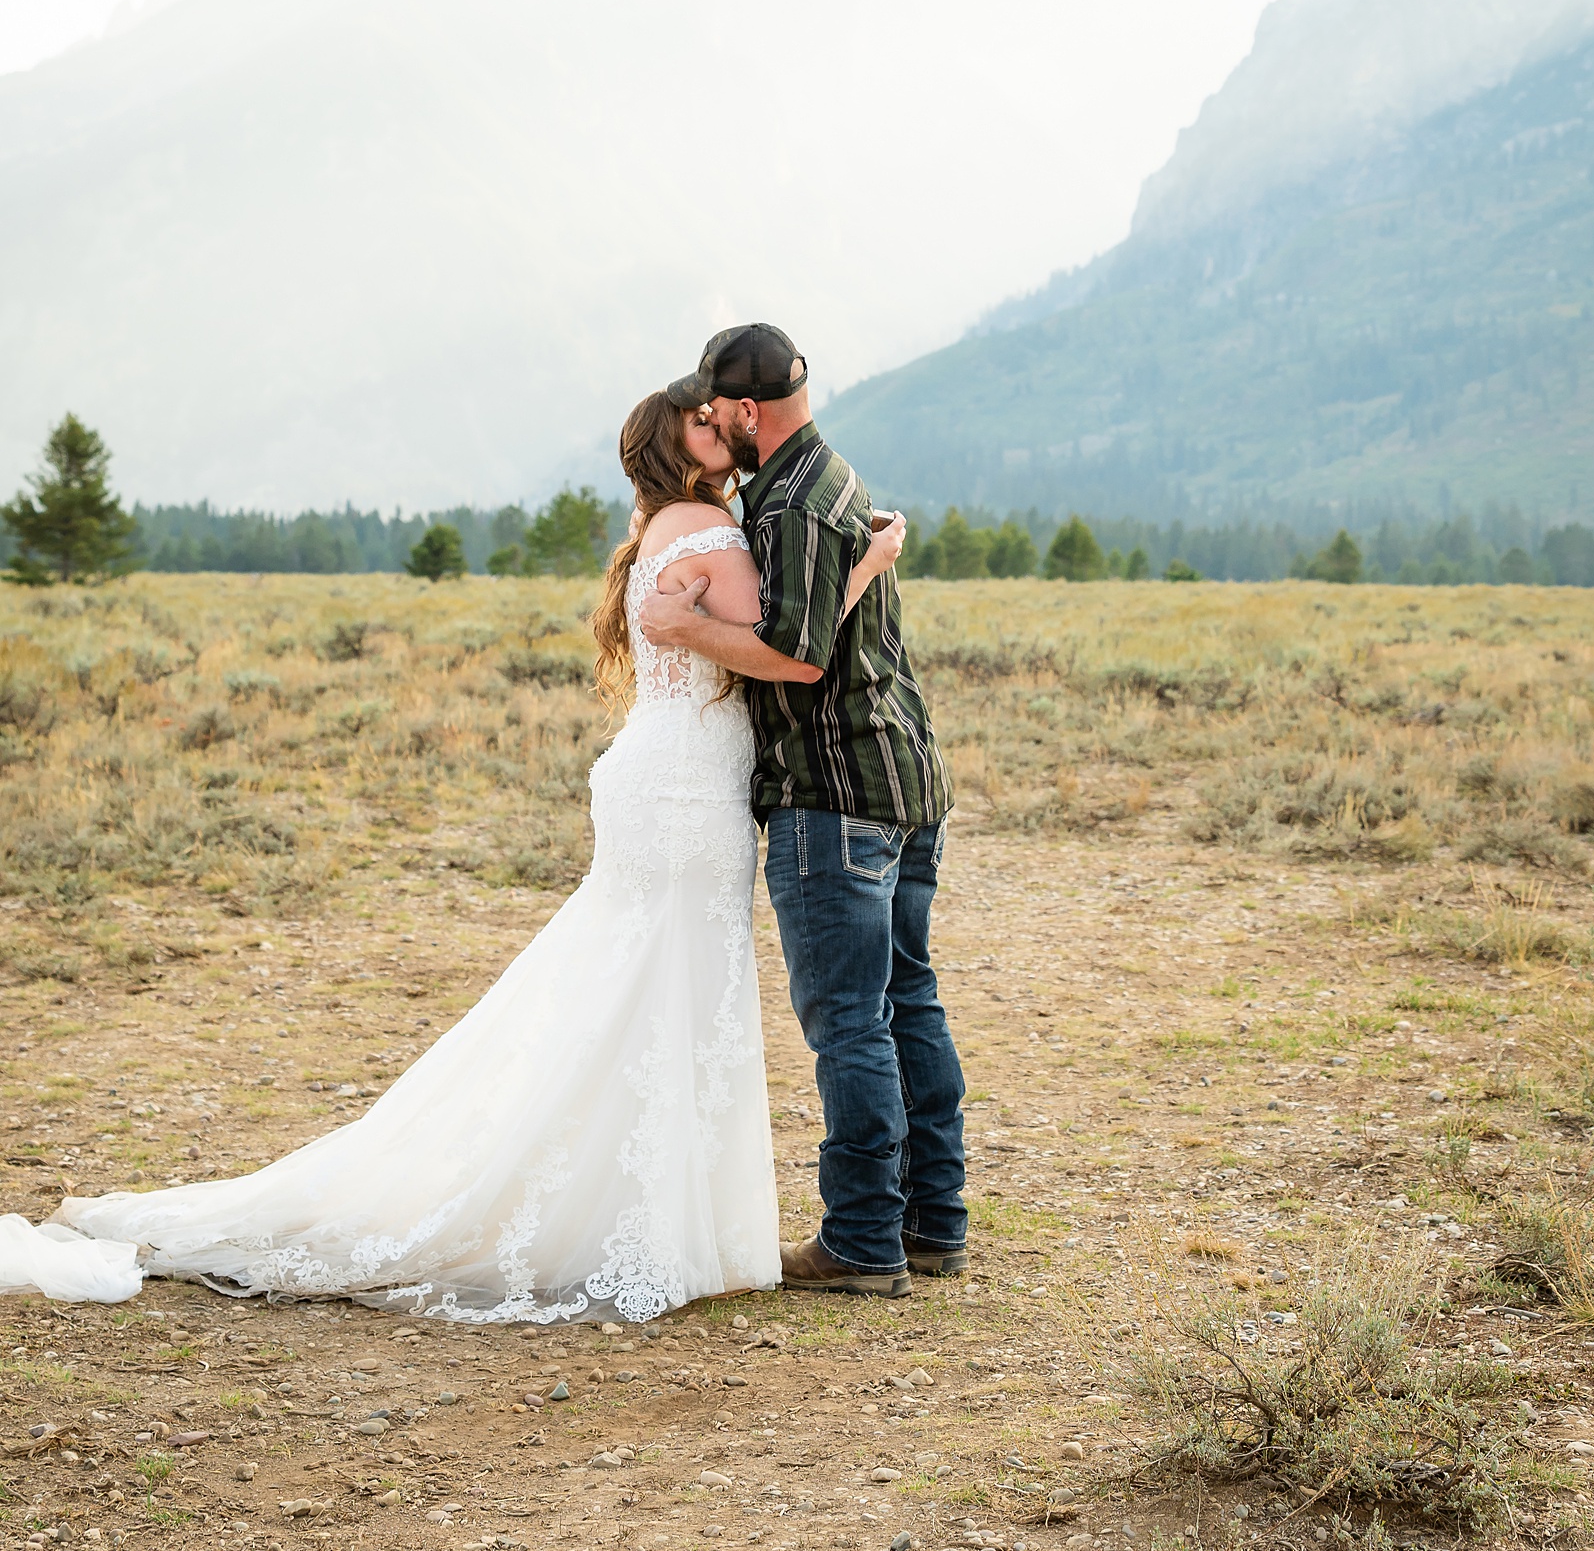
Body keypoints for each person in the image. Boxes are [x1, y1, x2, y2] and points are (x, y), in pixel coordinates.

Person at [0, 390, 903, 1320]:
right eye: (705, 428)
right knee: (664, 986)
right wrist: (868, 564)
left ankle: (626, 1210)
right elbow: (785, 651)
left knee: (638, 988)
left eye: (722, 422)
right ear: (676, 454)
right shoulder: (703, 527)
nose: (725, 436)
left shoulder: (667, 528)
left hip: (668, 775)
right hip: (681, 789)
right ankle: (633, 1218)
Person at [640, 323, 967, 1297]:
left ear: (746, 411)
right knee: (908, 999)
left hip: (834, 794)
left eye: (718, 411)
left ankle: (863, 1241)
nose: (714, 426)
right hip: (905, 778)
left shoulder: (786, 505)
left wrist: (684, 624)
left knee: (848, 1023)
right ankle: (931, 1222)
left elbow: (798, 653)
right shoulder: (834, 476)